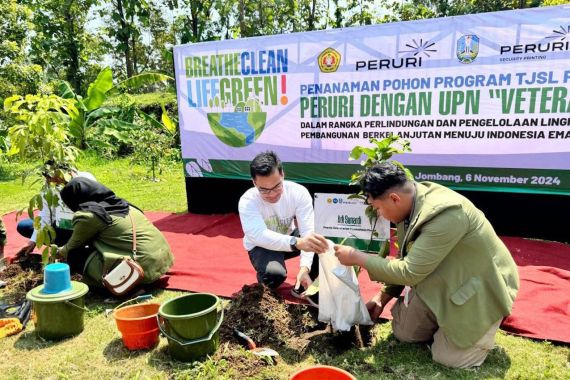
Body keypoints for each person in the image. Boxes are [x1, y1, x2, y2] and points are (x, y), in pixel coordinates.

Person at [333, 162, 519, 368]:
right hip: (439, 278)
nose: (379, 214)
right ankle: (443, 324)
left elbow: (410, 272)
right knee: (404, 332)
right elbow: (407, 258)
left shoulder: (446, 214)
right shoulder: (411, 204)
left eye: (378, 208)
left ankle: (485, 323)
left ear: (394, 198)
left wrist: (357, 257)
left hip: (476, 288)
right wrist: (382, 298)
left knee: (449, 359)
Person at [56, 177, 174, 289]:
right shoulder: (123, 204)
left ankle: (114, 286)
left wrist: (57, 252)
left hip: (139, 270)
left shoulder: (89, 216)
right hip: (161, 262)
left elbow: (71, 246)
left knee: (75, 254)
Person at [238, 151, 328, 294]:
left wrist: (305, 267)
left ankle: (303, 284)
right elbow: (258, 235)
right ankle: (265, 288)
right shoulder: (248, 201)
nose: (272, 194)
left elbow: (307, 230)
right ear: (254, 182)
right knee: (274, 275)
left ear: (282, 175)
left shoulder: (298, 193)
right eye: (264, 190)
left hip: (289, 236)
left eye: (277, 186)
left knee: (321, 243)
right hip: (261, 246)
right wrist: (296, 242)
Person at [15, 166, 96, 257]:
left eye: (53, 178)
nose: (51, 181)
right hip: (62, 228)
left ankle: (80, 250)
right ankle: (65, 248)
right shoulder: (49, 189)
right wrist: (33, 241)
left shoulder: (85, 180)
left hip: (84, 227)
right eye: (48, 179)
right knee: (24, 225)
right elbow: (45, 214)